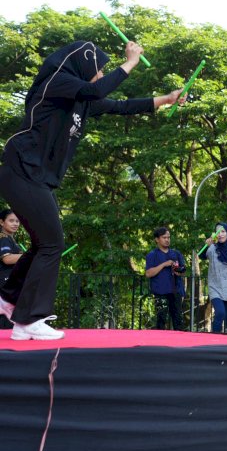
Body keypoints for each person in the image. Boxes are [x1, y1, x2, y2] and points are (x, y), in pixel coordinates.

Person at [0, 40, 184, 340]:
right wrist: (130, 62)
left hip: (34, 177)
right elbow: (96, 90)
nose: (99, 75)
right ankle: (29, 320)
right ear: (83, 66)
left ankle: (9, 299)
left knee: (43, 242)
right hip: (22, 169)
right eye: (98, 70)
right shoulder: (57, 82)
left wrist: (166, 99)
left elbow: (120, 106)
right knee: (52, 244)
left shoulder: (81, 101)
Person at [145, 227, 186, 330]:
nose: (167, 240)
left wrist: (178, 271)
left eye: (168, 237)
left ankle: (180, 340)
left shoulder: (176, 253)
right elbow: (148, 273)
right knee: (161, 319)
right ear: (157, 239)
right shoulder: (152, 255)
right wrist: (164, 264)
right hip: (160, 292)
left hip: (175, 291)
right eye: (164, 237)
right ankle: (160, 340)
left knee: (178, 320)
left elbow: (183, 271)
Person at [0, 210, 23, 329]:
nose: (15, 224)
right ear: (1, 222)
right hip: (5, 283)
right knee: (6, 316)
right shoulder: (3, 238)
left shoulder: (10, 239)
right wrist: (30, 255)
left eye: (17, 221)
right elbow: (7, 259)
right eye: (11, 220)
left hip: (9, 283)